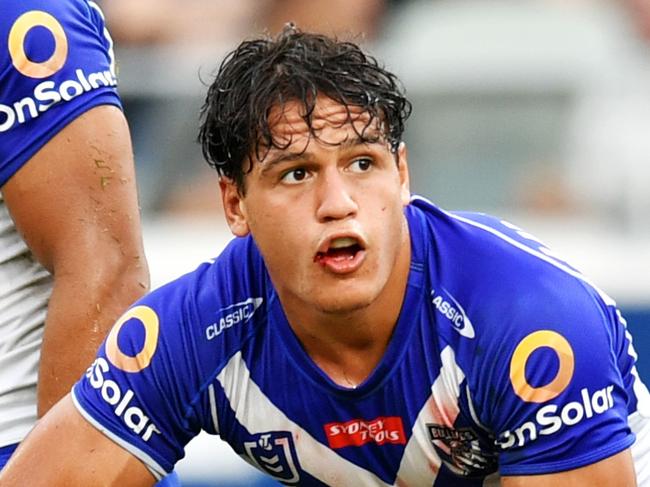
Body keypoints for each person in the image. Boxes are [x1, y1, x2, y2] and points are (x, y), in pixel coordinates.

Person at [1, 24, 649, 486]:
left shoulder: (531, 322)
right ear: (235, 205)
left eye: (362, 163)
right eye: (295, 174)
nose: (337, 202)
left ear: (402, 175)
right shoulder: (188, 332)